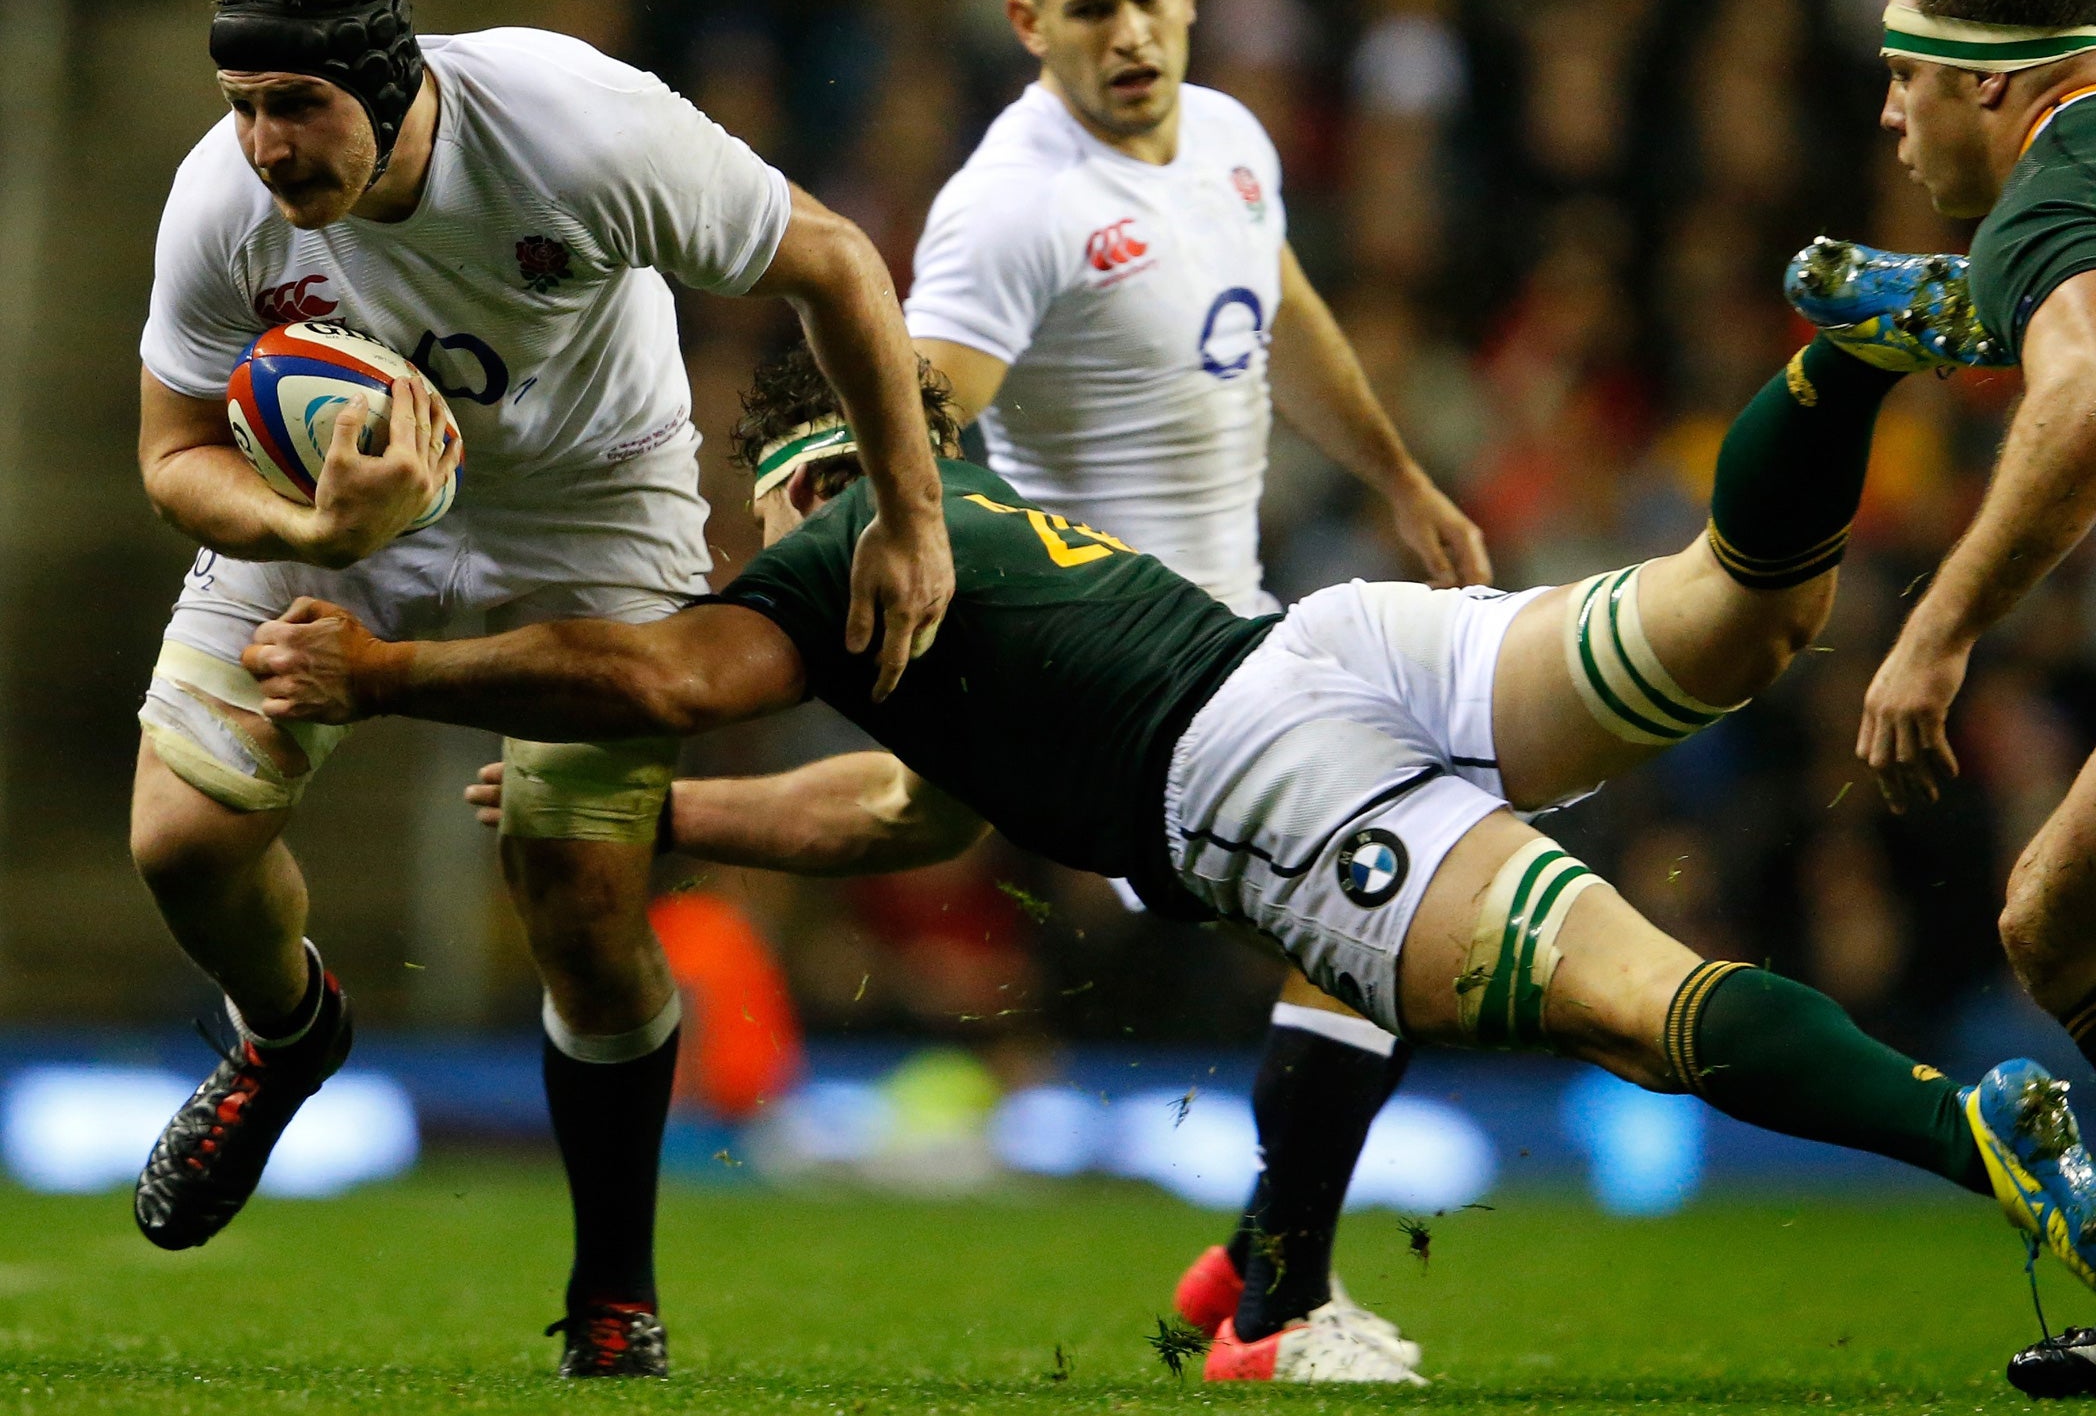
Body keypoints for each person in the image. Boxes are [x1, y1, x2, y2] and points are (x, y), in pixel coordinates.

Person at [247, 335, 2096, 1381]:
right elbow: (904, 811)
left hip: (1256, 776)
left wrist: (398, 674)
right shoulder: (977, 519)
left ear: (791, 482)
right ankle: (1837, 363)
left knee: (1648, 1007)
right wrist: (678, 821)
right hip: (1332, 648)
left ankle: (1978, 1136)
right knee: (1737, 612)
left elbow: (663, 677)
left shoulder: (830, 555)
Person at [127, 0, 953, 1379]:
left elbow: (831, 260)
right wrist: (312, 531)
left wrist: (911, 515)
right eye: (242, 105)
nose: (263, 143)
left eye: (297, 105)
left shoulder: (579, 131)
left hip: (590, 503)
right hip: (342, 505)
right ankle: (286, 1032)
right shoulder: (221, 201)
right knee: (181, 843)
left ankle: (614, 1290)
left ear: (391, 85)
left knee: (580, 901)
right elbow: (172, 451)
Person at [901, 0, 1488, 1374]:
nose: (1132, 34)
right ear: (1029, 23)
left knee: (1408, 898)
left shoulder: (1228, 137)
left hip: (1240, 639)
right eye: (1092, 8)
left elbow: (1276, 307)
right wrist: (987, 622)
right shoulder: (1011, 204)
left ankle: (1256, 1266)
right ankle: (1274, 1310)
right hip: (1127, 688)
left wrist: (1403, 479)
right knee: (1399, 884)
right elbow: (914, 435)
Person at [1781, 0, 2096, 1399]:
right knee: (2058, 920)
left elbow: (2082, 396)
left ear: (1991, 87)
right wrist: (1952, 302)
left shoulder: (2052, 190)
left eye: (1907, 78)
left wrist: (1935, 630)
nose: (1889, 114)